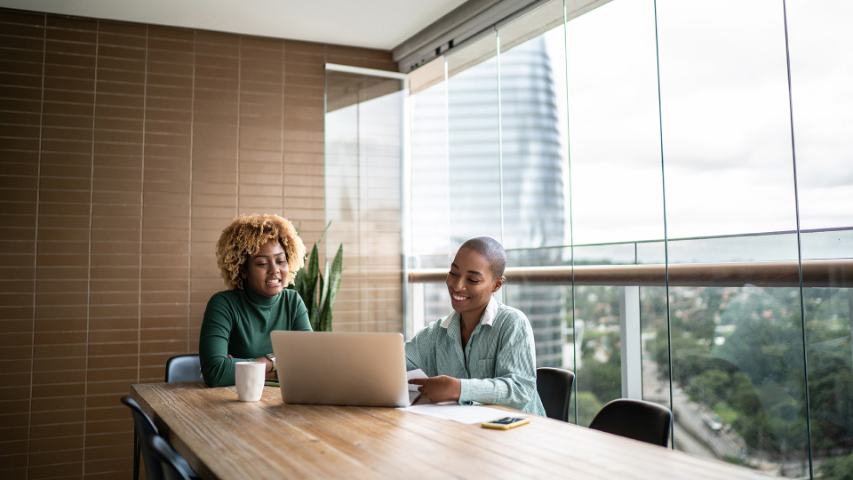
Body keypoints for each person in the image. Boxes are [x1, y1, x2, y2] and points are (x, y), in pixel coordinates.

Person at [407, 237, 545, 415]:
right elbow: (396, 362)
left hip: (521, 432)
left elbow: (520, 390)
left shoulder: (513, 323)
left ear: (496, 285)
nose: (457, 286)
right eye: (454, 273)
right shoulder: (437, 334)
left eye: (472, 280)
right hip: (470, 432)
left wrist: (458, 388)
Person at [199, 214, 311, 387]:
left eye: (280, 261)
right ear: (242, 269)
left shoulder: (293, 302)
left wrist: (244, 367)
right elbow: (216, 372)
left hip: (283, 403)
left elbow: (310, 362)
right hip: (235, 405)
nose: (275, 270)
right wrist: (275, 363)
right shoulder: (223, 305)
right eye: (261, 263)